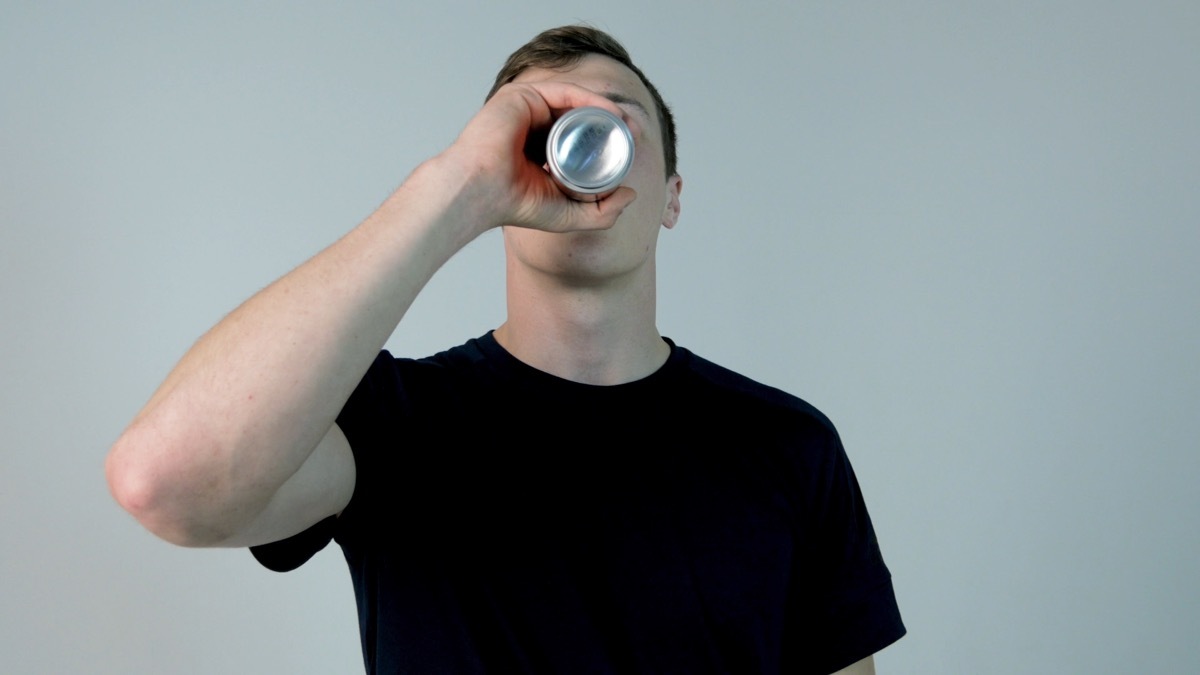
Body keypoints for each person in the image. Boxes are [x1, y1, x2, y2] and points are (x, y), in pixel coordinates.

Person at [106, 24, 905, 675]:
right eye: (549, 133)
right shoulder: (393, 423)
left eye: (618, 122)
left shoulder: (789, 446)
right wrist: (460, 187)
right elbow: (163, 480)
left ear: (672, 196)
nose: (587, 156)